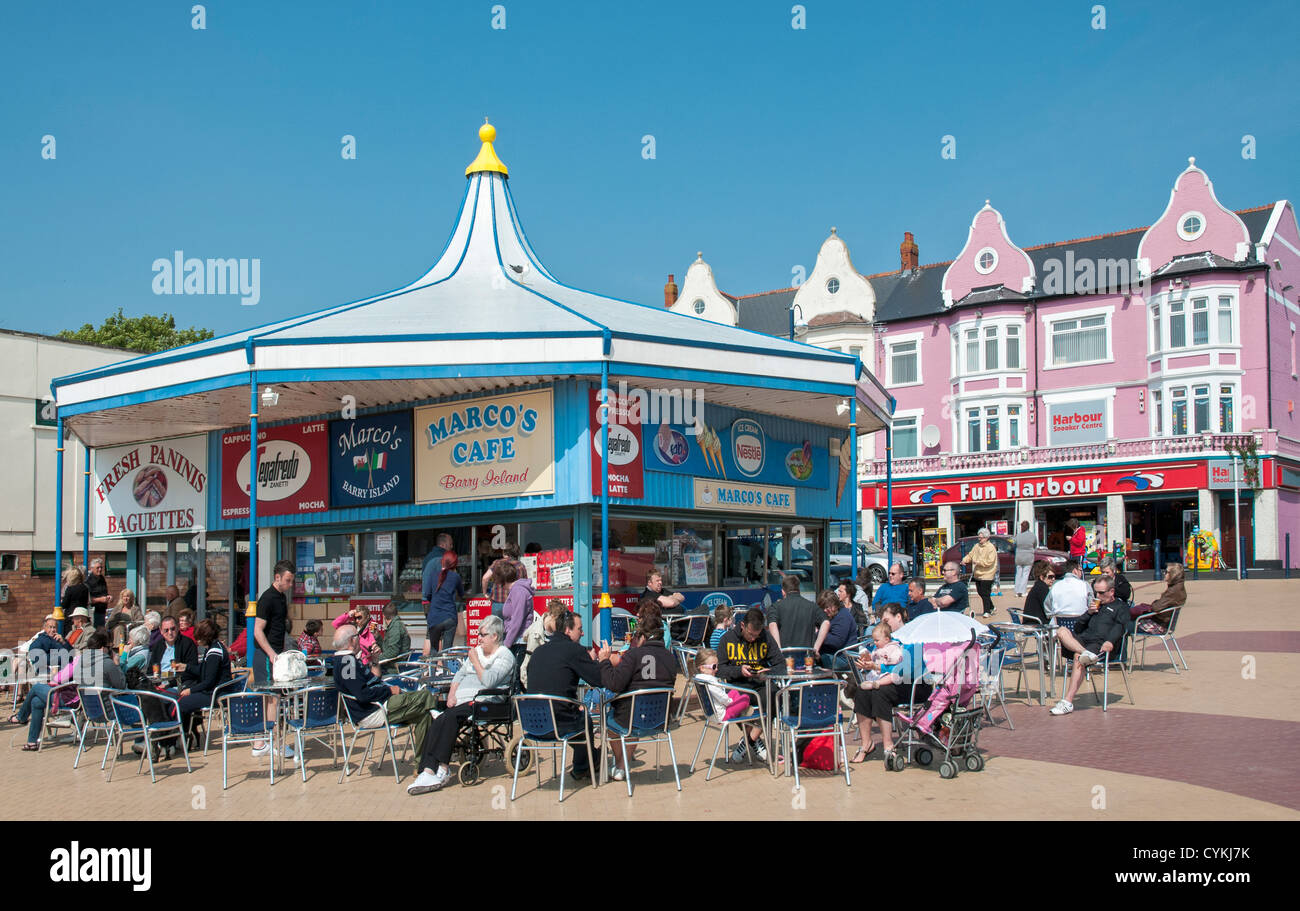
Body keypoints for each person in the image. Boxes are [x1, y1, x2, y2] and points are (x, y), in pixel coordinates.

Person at [407, 614, 518, 794]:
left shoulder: (504, 656)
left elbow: (489, 681)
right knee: (439, 718)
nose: (478, 638)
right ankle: (426, 769)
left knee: (450, 718)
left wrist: (475, 661)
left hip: (486, 700)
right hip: (463, 700)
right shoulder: (479, 650)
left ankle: (442, 768)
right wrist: (452, 694)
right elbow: (459, 675)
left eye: (482, 634)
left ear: (494, 636)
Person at [332, 624, 441, 765]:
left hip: (382, 705)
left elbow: (374, 680)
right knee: (425, 695)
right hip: (374, 711)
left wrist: (375, 660)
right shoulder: (347, 663)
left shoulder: (350, 660)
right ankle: (438, 715)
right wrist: (389, 691)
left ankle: (423, 764)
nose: (360, 639)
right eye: (357, 636)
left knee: (423, 717)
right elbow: (362, 695)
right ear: (352, 641)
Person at [525, 610, 611, 781]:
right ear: (568, 631)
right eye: (579, 629)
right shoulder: (574, 650)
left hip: (533, 724)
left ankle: (587, 762)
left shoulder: (539, 652)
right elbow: (599, 680)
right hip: (559, 724)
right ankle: (585, 765)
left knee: (575, 713)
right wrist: (602, 661)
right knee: (583, 718)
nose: (583, 633)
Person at [9, 631, 124, 750]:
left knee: (37, 687)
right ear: (103, 648)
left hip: (73, 699)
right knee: (36, 702)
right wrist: (118, 665)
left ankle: (21, 717)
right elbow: (121, 685)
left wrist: (54, 680)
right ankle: (32, 742)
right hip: (90, 703)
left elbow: (59, 679)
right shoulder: (108, 663)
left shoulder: (81, 660)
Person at [599, 616, 676, 781]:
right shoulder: (670, 658)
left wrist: (604, 662)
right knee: (634, 712)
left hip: (632, 719)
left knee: (614, 719)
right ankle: (621, 765)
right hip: (660, 720)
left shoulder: (634, 654)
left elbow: (614, 684)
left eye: (636, 637)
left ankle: (621, 764)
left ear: (643, 637)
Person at [851, 603, 926, 761]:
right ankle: (867, 743)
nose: (884, 624)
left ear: (898, 617)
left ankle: (888, 744)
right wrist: (867, 662)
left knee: (880, 693)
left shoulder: (913, 638)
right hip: (891, 681)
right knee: (861, 691)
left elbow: (908, 669)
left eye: (886, 620)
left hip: (914, 684)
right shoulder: (888, 638)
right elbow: (875, 657)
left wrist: (878, 666)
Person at [1050, 576, 1129, 715]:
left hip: (1100, 645)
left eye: (1101, 593)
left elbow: (1120, 627)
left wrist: (1110, 641)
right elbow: (1078, 628)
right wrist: (1089, 613)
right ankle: (1086, 653)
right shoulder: (1095, 606)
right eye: (1095, 593)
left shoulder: (1120, 607)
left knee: (1078, 656)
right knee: (1061, 630)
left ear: (1111, 592)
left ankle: (1067, 702)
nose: (1097, 596)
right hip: (1083, 642)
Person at [715, 607, 779, 761]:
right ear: (742, 625)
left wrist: (767, 671)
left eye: (757, 635)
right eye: (751, 634)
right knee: (735, 702)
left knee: (776, 696)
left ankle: (749, 740)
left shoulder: (766, 637)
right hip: (737, 685)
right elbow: (720, 670)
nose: (753, 639)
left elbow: (780, 664)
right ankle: (755, 741)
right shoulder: (727, 639)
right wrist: (739, 671)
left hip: (760, 684)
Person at [250, 560, 294, 755]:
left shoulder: (281, 597)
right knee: (271, 698)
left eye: (292, 581)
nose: (290, 584)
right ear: (277, 578)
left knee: (271, 698)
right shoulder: (267, 598)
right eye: (288, 580)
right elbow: (257, 630)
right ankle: (269, 743)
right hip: (266, 655)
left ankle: (263, 742)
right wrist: (272, 654)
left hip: (275, 654)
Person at [175, 619, 232, 750]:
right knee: (185, 700)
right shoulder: (214, 647)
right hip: (214, 691)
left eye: (199, 638)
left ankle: (184, 737)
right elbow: (204, 670)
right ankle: (189, 733)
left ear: (205, 637)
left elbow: (208, 681)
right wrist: (186, 667)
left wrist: (191, 690)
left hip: (216, 694)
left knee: (181, 703)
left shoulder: (214, 653)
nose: (197, 641)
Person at [766, 575, 827, 651]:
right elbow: (826, 622)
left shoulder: (776, 607)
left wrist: (779, 650)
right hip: (807, 657)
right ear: (799, 589)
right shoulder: (812, 606)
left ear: (783, 592)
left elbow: (772, 625)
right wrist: (816, 648)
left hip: (785, 656)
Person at [422, 550, 463, 656]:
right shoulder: (456, 577)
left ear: (442, 562)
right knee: (447, 651)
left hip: (434, 617)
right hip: (450, 616)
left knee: (434, 650)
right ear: (455, 564)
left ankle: (432, 671)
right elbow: (461, 594)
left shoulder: (432, 575)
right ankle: (446, 672)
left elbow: (427, 594)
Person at [521, 598, 566, 688]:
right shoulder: (536, 634)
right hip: (537, 684)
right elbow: (527, 665)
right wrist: (529, 688)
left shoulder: (560, 630)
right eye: (558, 621)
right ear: (552, 616)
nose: (560, 624)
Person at [1129, 563, 1186, 632]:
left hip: (1160, 625)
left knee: (1124, 626)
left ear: (1173, 575)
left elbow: (1155, 607)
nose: (1164, 573)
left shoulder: (1173, 591)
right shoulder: (1178, 588)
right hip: (1164, 623)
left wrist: (1155, 602)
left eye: (1166, 572)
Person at [499, 560, 535, 658]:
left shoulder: (518, 591)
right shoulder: (516, 590)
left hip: (520, 640)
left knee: (517, 672)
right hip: (516, 639)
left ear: (502, 580)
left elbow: (517, 620)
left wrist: (506, 644)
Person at [815, 589, 857, 668]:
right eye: (822, 608)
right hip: (830, 653)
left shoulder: (843, 616)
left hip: (844, 658)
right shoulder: (827, 616)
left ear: (835, 605)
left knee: (822, 659)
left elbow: (836, 641)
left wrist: (818, 633)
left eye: (827, 607)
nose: (825, 610)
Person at [961, 528, 998, 618]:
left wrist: (979, 562)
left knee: (985, 593)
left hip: (987, 574)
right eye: (979, 537)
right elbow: (970, 555)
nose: (979, 539)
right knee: (980, 592)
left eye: (981, 538)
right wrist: (964, 560)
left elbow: (990, 561)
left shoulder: (990, 547)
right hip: (977, 573)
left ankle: (987, 611)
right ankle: (992, 607)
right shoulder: (976, 546)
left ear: (986, 538)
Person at [1045, 560, 1090, 625]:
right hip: (1081, 627)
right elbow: (1091, 605)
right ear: (1075, 571)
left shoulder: (1056, 586)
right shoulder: (1085, 585)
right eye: (1080, 570)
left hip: (1059, 627)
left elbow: (1047, 606)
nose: (1081, 573)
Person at [420, 531, 455, 609]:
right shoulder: (442, 558)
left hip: (427, 601)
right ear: (443, 544)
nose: (452, 546)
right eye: (450, 544)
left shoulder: (428, 557)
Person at [377, 602, 411, 671]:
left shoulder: (395, 627)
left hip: (393, 668)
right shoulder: (395, 625)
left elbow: (393, 651)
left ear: (383, 616)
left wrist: (376, 659)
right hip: (391, 663)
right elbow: (387, 648)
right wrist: (377, 636)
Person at [1023, 560, 1055, 624]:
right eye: (1050, 577)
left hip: (1031, 622)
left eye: (1054, 576)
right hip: (1036, 624)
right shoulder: (1042, 589)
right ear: (1042, 577)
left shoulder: (1037, 586)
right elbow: (1049, 609)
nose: (1053, 579)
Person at [86, 558, 111, 629]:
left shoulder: (102, 579)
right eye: (97, 568)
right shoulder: (88, 581)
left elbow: (105, 592)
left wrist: (108, 597)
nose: (100, 569)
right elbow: (87, 599)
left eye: (101, 567)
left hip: (102, 611)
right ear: (92, 568)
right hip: (93, 612)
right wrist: (100, 599)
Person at [1013, 520, 1037, 597]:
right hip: (1028, 557)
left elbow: (1014, 544)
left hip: (1019, 556)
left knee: (1018, 574)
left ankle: (1017, 591)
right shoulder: (1032, 535)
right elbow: (1035, 545)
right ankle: (1022, 591)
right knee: (1025, 575)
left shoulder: (1018, 536)